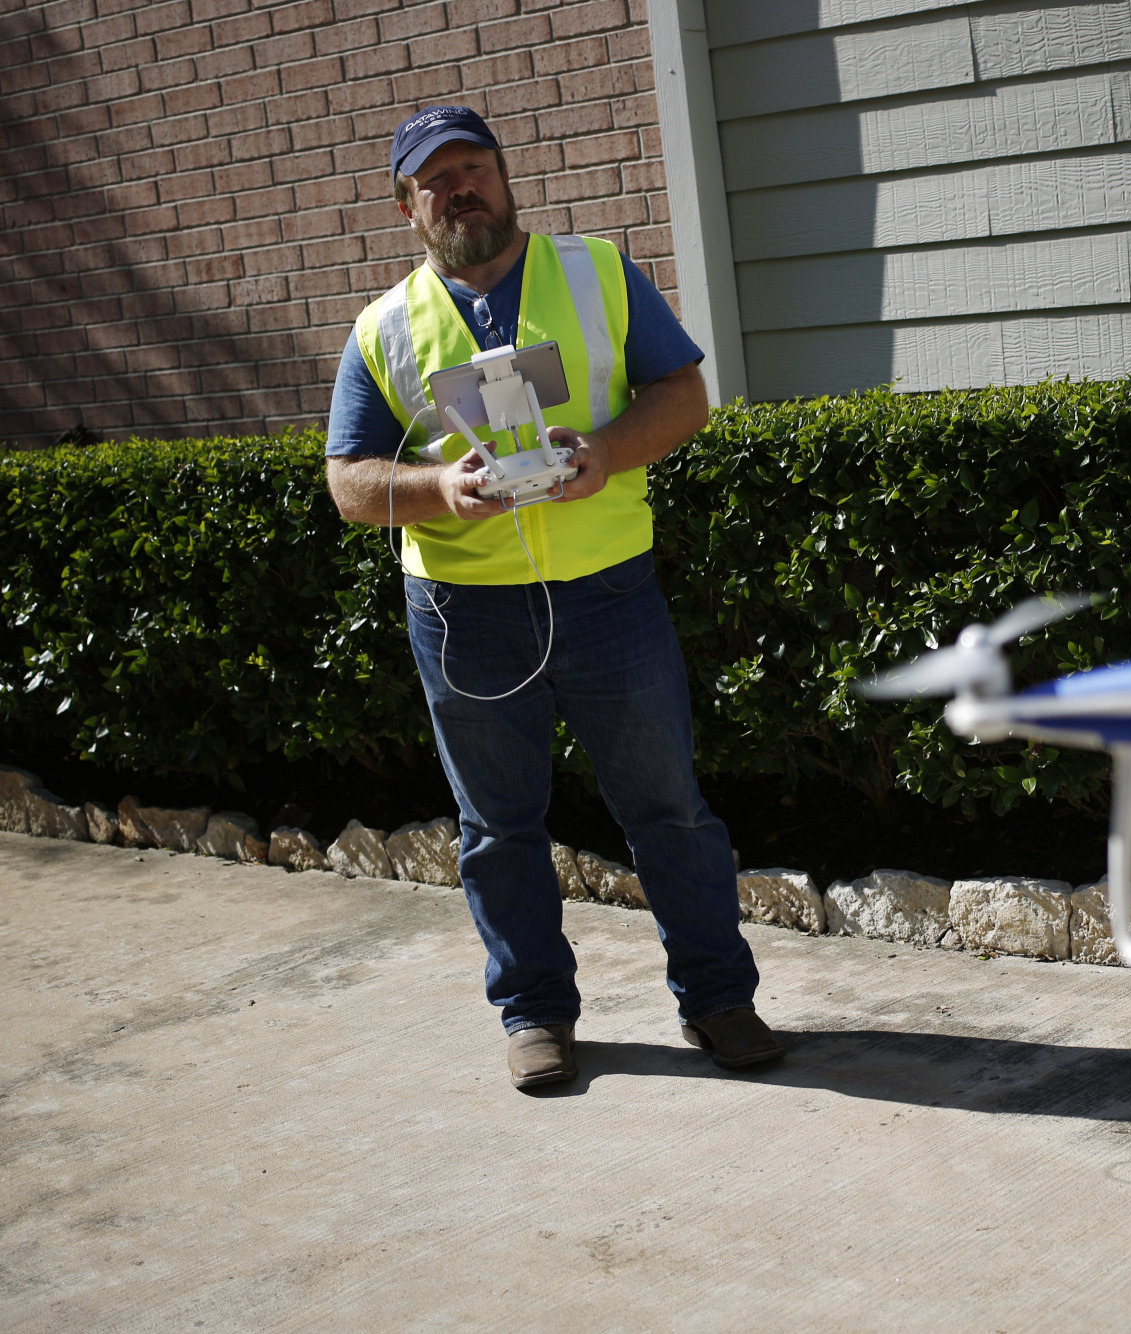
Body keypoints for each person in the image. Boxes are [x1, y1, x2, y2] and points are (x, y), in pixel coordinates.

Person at [323, 106, 779, 1088]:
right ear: (406, 207)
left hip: (609, 594)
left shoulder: (598, 271)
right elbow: (349, 482)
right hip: (464, 610)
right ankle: (533, 1013)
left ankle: (717, 999)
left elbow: (685, 394)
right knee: (497, 826)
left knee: (669, 809)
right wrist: (439, 490)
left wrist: (604, 453)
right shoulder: (383, 328)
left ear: (503, 174)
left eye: (472, 168)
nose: (459, 190)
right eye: (434, 181)